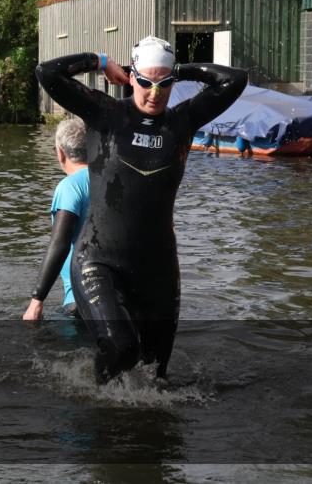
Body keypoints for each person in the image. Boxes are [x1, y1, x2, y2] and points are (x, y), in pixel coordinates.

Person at [35, 36, 247, 382]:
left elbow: (234, 80)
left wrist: (180, 69)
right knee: (122, 349)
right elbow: (47, 73)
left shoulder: (183, 120)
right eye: (146, 82)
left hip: (157, 268)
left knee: (156, 372)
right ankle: (93, 399)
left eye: (164, 84)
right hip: (98, 260)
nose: (154, 92)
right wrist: (101, 61)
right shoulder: (106, 113)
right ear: (132, 76)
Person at [23, 118, 89, 322]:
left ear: (59, 152)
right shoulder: (112, 178)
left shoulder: (69, 187)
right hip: (121, 297)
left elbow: (59, 244)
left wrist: (37, 300)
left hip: (81, 299)